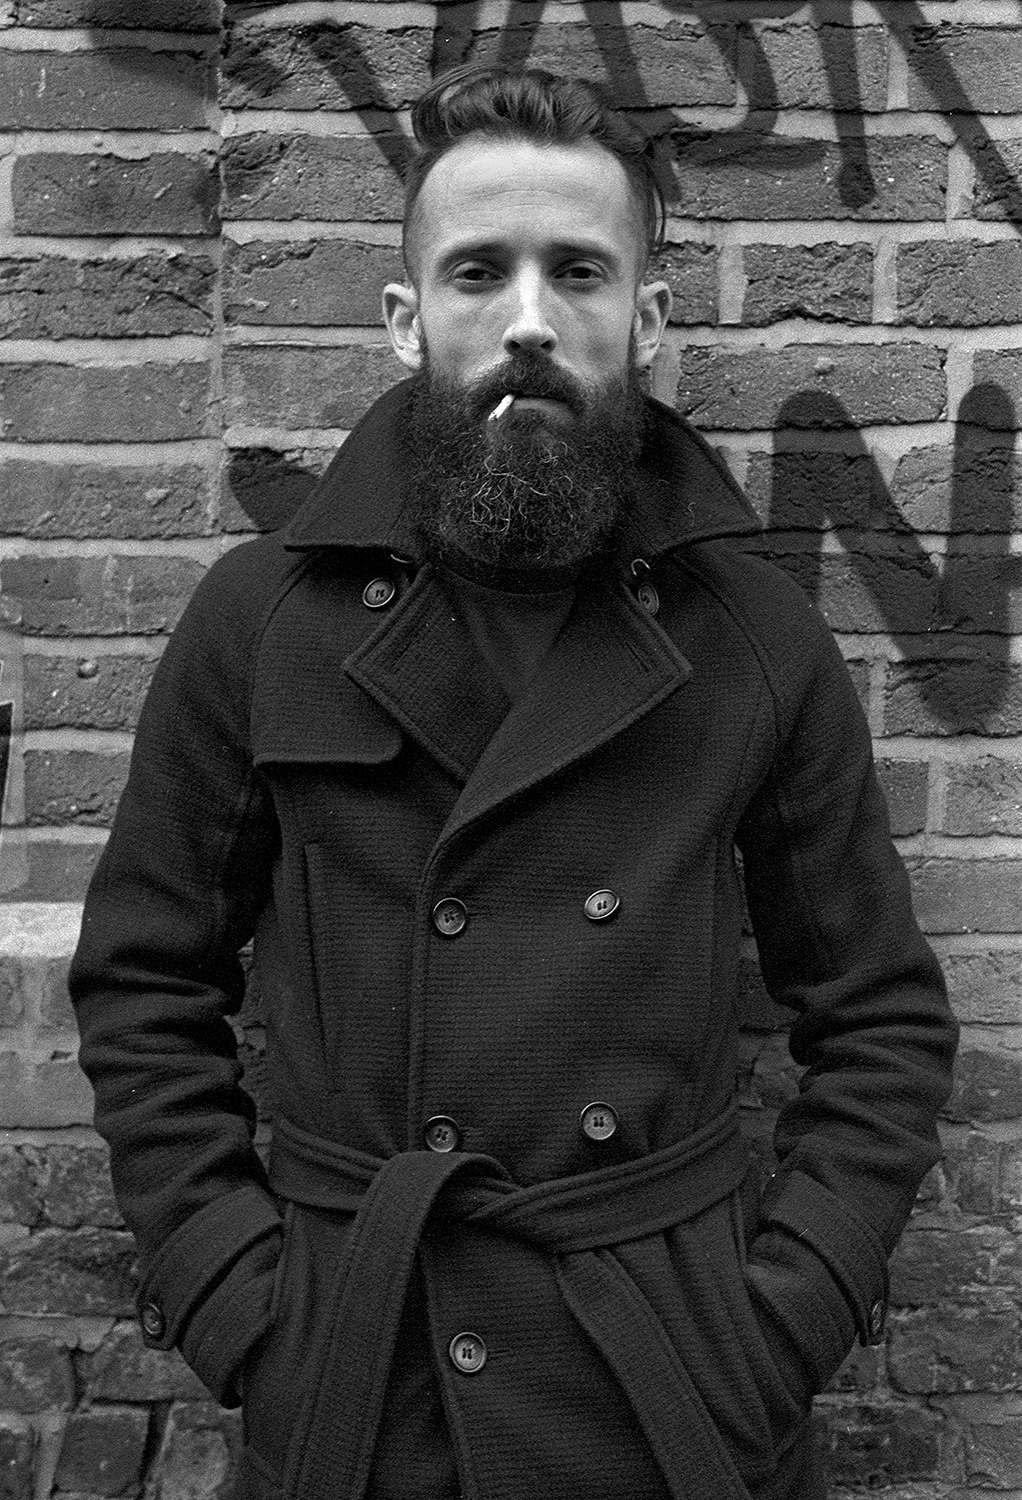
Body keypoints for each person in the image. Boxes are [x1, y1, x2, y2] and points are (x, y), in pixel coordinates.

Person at [69, 64, 958, 1500]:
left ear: (646, 321)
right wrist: (248, 1310)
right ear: (409, 320)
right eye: (480, 271)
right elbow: (144, 982)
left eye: (579, 272)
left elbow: (879, 1024)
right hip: (360, 1374)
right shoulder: (262, 621)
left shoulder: (755, 645)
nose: (530, 319)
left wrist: (772, 1330)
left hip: (663, 1385)